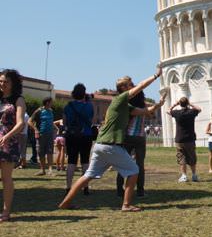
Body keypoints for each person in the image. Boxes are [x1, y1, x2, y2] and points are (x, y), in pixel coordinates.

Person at [59, 69, 163, 212]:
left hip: (100, 145)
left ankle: (66, 202)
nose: (133, 86)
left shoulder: (125, 106)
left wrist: (160, 104)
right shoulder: (120, 99)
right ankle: (126, 205)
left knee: (88, 175)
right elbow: (142, 86)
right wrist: (156, 75)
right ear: (123, 88)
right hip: (110, 145)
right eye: (129, 85)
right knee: (134, 170)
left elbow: (145, 111)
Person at [117, 89, 166, 197]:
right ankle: (140, 191)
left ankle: (120, 190)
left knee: (122, 163)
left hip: (127, 137)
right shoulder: (143, 108)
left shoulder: (128, 106)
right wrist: (159, 103)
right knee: (140, 164)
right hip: (139, 138)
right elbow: (151, 115)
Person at [0, 69, 27, 222]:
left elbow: (21, 123)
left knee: (6, 178)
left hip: (7, 142)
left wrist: (7, 136)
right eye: (1, 81)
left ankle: (6, 212)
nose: (2, 84)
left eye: (6, 81)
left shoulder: (18, 99)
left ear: (13, 83)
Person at [62, 84, 94, 195]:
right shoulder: (89, 106)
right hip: (86, 135)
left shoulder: (68, 106)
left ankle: (68, 187)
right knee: (85, 161)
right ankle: (85, 187)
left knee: (71, 161)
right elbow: (91, 120)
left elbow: (64, 122)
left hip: (71, 135)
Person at [169, 97, 202, 182]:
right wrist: (190, 104)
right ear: (187, 103)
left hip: (179, 139)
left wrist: (175, 105)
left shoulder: (177, 113)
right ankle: (194, 175)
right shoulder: (191, 112)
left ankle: (184, 176)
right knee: (192, 157)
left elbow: (168, 111)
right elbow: (199, 109)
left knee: (181, 157)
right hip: (190, 139)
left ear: (180, 104)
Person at [29, 97, 55, 176]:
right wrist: (36, 130)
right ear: (47, 102)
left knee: (50, 152)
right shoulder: (39, 111)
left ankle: (50, 170)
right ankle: (42, 170)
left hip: (50, 134)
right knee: (41, 153)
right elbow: (29, 121)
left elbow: (51, 122)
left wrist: (55, 129)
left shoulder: (51, 111)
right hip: (41, 134)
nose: (52, 103)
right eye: (51, 102)